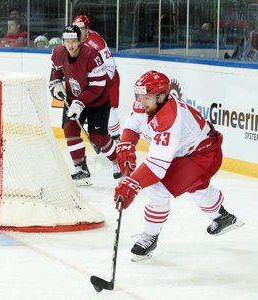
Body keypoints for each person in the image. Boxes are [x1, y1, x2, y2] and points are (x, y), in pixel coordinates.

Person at [113, 70, 243, 261]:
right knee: (194, 187)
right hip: (187, 152)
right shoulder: (147, 102)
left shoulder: (169, 117)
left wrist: (132, 183)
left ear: (162, 95)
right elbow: (133, 124)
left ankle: (150, 236)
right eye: (138, 96)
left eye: (146, 97)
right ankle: (222, 217)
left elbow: (156, 167)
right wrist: (126, 144)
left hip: (203, 155)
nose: (141, 101)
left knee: (158, 188)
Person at [48, 25, 121, 186]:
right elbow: (56, 73)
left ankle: (118, 161)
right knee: (69, 128)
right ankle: (80, 168)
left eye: (74, 41)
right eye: (67, 41)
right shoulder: (59, 53)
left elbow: (98, 87)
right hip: (74, 99)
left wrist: (80, 103)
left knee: (99, 139)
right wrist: (56, 85)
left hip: (98, 101)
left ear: (80, 41)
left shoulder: (92, 55)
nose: (71, 45)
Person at [72, 15, 122, 143]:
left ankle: (116, 139)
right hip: (92, 78)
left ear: (87, 29)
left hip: (108, 77)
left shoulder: (96, 42)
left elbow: (110, 64)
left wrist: (102, 83)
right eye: (76, 28)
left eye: (81, 29)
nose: (78, 31)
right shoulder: (73, 40)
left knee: (109, 107)